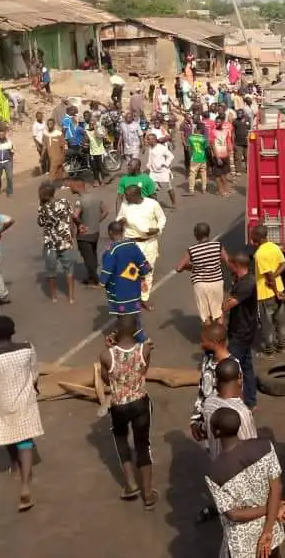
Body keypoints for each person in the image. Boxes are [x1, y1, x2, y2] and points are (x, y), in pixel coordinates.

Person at [205, 408, 285, 558]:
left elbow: (233, 514)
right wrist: (269, 522)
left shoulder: (214, 472)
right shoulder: (265, 447)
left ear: (216, 432)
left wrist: (269, 508)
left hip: (242, 544)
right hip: (270, 530)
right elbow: (276, 487)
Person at [0, 316, 42, 512]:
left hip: (2, 404)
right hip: (25, 401)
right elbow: (35, 372)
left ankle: (15, 466)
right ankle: (25, 485)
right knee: (26, 441)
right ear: (12, 332)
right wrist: (32, 386)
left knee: (9, 436)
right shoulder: (27, 349)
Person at [100, 314, 156, 507]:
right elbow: (144, 371)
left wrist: (109, 348)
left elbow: (106, 380)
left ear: (115, 332)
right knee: (142, 444)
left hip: (119, 405)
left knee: (121, 440)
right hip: (140, 401)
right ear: (136, 331)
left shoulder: (107, 355)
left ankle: (131, 484)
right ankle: (148, 493)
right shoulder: (145, 349)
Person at [99, 221, 151, 343]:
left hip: (118, 290)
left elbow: (107, 271)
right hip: (133, 287)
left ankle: (138, 337)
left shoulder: (111, 251)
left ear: (110, 233)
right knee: (134, 312)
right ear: (122, 232)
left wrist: (102, 283)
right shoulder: (133, 246)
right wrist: (142, 277)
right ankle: (135, 335)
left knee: (123, 315)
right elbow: (144, 265)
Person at [117, 185, 166, 309]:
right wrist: (121, 221)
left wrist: (157, 229)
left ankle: (144, 298)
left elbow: (162, 219)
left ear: (136, 195)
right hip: (131, 243)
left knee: (147, 271)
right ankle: (130, 297)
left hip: (148, 243)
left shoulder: (152, 204)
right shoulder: (125, 205)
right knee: (129, 271)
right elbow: (118, 218)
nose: (125, 198)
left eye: (128, 196)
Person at [222, 253, 259, 409]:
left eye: (231, 265)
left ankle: (231, 401)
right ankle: (250, 400)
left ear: (237, 266)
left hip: (241, 332)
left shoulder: (246, 284)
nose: (228, 267)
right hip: (243, 329)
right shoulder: (242, 280)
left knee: (229, 367)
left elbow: (228, 305)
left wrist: (224, 305)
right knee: (246, 365)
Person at [190, 321, 237, 442]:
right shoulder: (207, 360)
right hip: (207, 419)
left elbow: (236, 398)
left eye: (203, 341)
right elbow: (202, 390)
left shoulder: (233, 366)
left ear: (215, 343)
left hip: (224, 426)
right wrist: (195, 419)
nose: (201, 344)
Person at [203, 358, 257, 458]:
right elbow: (250, 445)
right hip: (236, 468)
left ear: (216, 379)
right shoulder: (241, 412)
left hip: (217, 463)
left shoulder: (208, 403)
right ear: (240, 377)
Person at [176, 222, 227, 324]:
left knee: (206, 315)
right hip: (217, 282)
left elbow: (179, 268)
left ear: (196, 234)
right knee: (219, 311)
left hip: (200, 285)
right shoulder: (218, 245)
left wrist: (192, 267)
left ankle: (209, 337)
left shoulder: (191, 250)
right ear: (208, 233)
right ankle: (220, 336)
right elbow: (226, 260)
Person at [37, 182, 77, 304]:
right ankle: (71, 297)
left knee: (51, 271)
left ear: (43, 195)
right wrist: (72, 233)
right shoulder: (65, 201)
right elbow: (71, 218)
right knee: (69, 270)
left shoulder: (43, 208)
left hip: (51, 243)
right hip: (65, 241)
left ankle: (54, 297)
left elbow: (40, 223)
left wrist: (42, 206)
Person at [250, 224, 285, 356]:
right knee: (280, 322)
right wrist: (278, 288)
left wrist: (275, 291)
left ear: (258, 237)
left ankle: (269, 351)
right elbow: (283, 265)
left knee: (267, 325)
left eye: (253, 234)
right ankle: (281, 347)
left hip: (266, 294)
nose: (251, 236)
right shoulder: (274, 247)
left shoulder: (259, 254)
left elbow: (269, 276)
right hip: (280, 290)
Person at [69, 177, 107, 288]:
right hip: (95, 232)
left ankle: (96, 279)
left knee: (88, 257)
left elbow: (75, 216)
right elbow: (106, 211)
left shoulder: (79, 201)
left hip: (84, 235)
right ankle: (91, 278)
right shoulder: (95, 197)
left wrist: (80, 224)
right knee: (93, 254)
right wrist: (96, 220)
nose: (70, 188)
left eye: (71, 186)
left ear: (77, 186)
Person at [144, 132, 177, 210]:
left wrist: (165, 164)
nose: (147, 141)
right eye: (147, 139)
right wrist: (148, 166)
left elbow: (171, 156)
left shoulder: (162, 148)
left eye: (149, 139)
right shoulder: (150, 148)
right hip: (153, 172)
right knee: (151, 189)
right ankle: (155, 206)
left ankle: (174, 203)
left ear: (154, 140)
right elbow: (150, 158)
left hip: (163, 172)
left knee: (169, 188)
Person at [187, 123, 209, 194]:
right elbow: (206, 149)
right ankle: (204, 188)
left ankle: (191, 189)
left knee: (192, 173)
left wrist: (190, 156)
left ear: (196, 129)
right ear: (202, 130)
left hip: (194, 157)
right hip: (202, 157)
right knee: (203, 172)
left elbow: (189, 149)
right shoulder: (204, 138)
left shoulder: (190, 137)